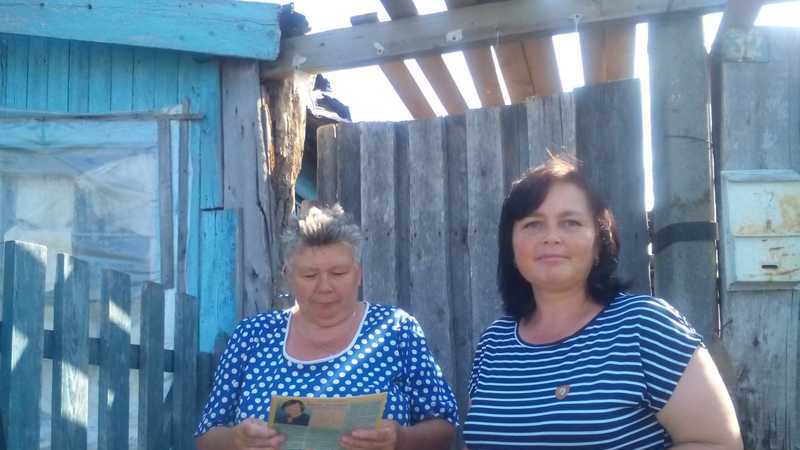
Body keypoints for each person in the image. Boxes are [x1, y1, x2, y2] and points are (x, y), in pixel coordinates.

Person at [462, 157, 743, 450]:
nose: (551, 237)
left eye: (570, 223)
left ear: (599, 243)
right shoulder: (494, 343)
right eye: (533, 224)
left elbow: (719, 444)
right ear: (511, 247)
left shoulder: (644, 326)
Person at [196, 204, 458, 450]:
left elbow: (444, 422)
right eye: (310, 275)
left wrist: (401, 439)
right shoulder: (253, 335)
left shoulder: (396, 330)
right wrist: (236, 439)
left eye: (338, 273)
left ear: (358, 273)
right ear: (288, 276)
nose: (325, 287)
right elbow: (206, 435)